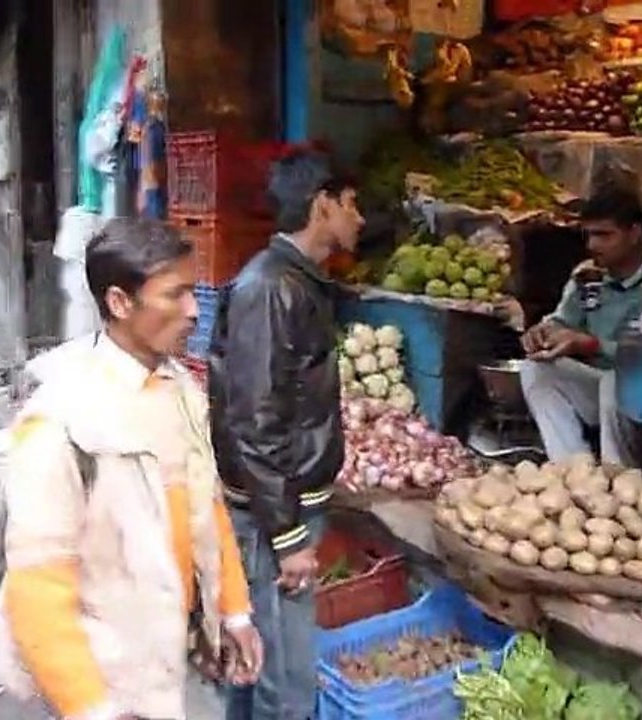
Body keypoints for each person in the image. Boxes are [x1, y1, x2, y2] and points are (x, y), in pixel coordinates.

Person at [0, 218, 262, 720]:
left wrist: (232, 611)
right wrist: (93, 707)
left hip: (167, 658)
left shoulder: (182, 393)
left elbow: (206, 509)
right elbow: (38, 586)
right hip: (104, 674)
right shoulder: (62, 420)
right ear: (119, 303)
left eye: (192, 292)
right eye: (174, 295)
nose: (194, 311)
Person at [208, 150, 364, 720]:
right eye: (351, 204)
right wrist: (289, 533)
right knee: (288, 684)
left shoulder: (295, 281)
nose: (359, 218)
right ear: (322, 205)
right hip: (274, 513)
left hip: (282, 503)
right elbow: (254, 419)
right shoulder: (271, 289)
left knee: (257, 670)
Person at [519, 187, 642, 467]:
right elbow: (564, 321)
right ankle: (573, 469)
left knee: (616, 379)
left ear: (634, 233)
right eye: (589, 235)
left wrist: (590, 344)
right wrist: (545, 332)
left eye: (604, 235)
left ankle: (618, 473)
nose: (592, 245)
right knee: (536, 369)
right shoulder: (588, 274)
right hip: (595, 388)